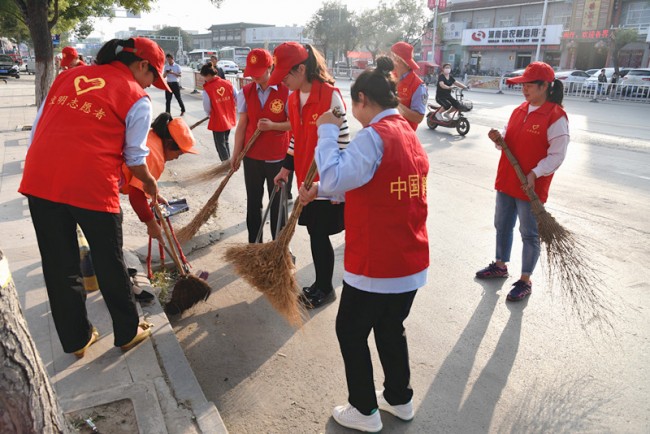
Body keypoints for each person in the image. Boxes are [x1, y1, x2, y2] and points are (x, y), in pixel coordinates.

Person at [19, 37, 171, 357]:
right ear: (142, 65)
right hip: (91, 185)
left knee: (59, 265)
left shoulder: (68, 76)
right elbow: (135, 158)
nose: (151, 85)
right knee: (109, 260)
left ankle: (77, 340)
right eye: (153, 77)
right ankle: (127, 332)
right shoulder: (137, 97)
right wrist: (150, 183)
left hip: (40, 179)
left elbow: (37, 130)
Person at [303, 56, 429, 432]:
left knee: (350, 331)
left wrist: (327, 132)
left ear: (361, 100)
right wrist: (321, 190)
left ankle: (363, 409)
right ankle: (399, 399)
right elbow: (371, 180)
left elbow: (337, 175)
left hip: (378, 262)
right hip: (408, 259)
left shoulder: (374, 136)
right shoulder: (406, 131)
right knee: (390, 329)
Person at [476, 61, 569, 302]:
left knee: (529, 233)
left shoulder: (556, 116)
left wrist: (535, 173)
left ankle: (525, 280)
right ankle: (500, 265)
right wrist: (499, 138)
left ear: (545, 86)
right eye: (523, 85)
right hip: (507, 179)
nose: (524, 89)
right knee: (502, 224)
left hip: (531, 187)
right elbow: (508, 138)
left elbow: (557, 155)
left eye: (529, 85)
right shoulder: (519, 109)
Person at [269, 41, 350, 309]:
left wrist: (324, 184)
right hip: (305, 179)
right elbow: (296, 138)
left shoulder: (330, 96)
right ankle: (319, 284)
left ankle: (325, 288)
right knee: (315, 232)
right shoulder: (293, 98)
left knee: (319, 233)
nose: (282, 81)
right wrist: (286, 167)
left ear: (301, 69)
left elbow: (343, 143)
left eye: (285, 75)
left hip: (326, 181)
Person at [232, 49, 291, 243]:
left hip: (278, 158)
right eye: (252, 73)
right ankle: (254, 246)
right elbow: (242, 126)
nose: (254, 77)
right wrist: (236, 155)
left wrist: (273, 126)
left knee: (278, 205)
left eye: (258, 72)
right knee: (253, 202)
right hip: (252, 157)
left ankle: (278, 246)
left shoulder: (287, 91)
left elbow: (294, 124)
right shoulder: (245, 92)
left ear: (270, 67)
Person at [121, 112, 198, 244]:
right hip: (98, 186)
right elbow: (136, 196)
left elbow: (143, 184)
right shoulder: (155, 156)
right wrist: (152, 225)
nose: (176, 158)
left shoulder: (152, 136)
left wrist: (155, 195)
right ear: (169, 143)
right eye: (179, 154)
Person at [200, 63, 237, 161]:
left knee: (220, 143)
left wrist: (208, 113)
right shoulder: (228, 83)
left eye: (204, 77)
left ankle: (225, 163)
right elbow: (237, 97)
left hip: (217, 119)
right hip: (229, 116)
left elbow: (206, 105)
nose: (204, 79)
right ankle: (228, 162)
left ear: (208, 75)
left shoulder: (208, 89)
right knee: (225, 140)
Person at [390, 42, 428, 130]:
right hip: (387, 130)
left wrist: (394, 103)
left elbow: (418, 118)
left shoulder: (418, 86)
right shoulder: (389, 76)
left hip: (403, 134)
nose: (389, 59)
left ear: (397, 59)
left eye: (391, 57)